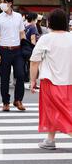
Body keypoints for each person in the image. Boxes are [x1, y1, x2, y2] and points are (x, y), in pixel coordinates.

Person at [29, 9, 72, 150]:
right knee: (66, 109)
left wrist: (32, 81)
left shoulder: (46, 39)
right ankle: (49, 139)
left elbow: (34, 61)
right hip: (69, 80)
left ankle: (50, 139)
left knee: (53, 111)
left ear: (50, 22)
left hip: (51, 81)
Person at [0, 0, 27, 112]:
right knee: (5, 78)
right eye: (0, 2)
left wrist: (25, 47)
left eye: (4, 2)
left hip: (17, 50)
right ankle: (5, 102)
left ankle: (18, 100)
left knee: (21, 75)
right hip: (4, 50)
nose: (2, 4)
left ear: (10, 3)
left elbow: (22, 33)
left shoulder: (18, 17)